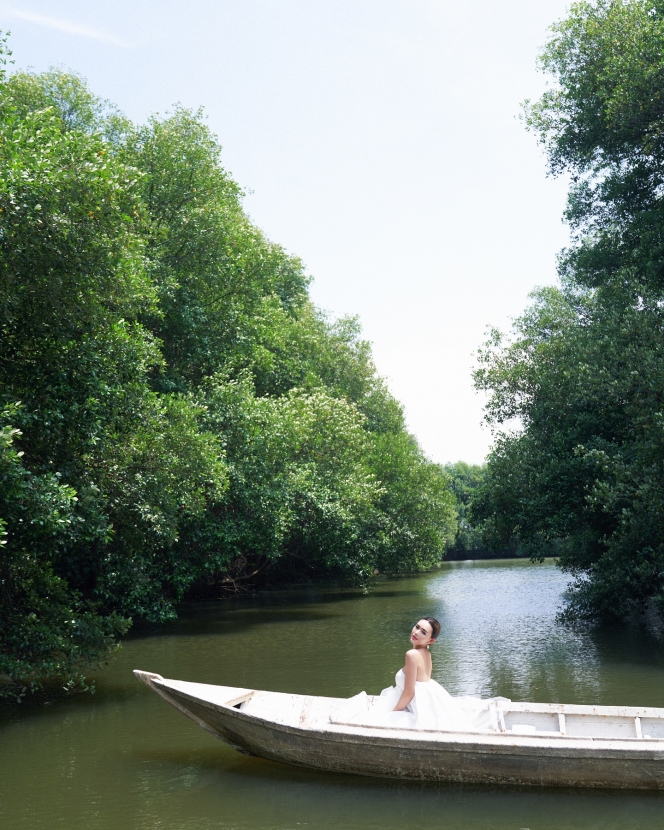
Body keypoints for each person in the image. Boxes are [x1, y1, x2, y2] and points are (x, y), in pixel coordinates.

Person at [365, 617, 504, 731]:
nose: (416, 632)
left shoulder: (412, 654)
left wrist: (393, 713)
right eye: (417, 626)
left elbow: (409, 692)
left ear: (431, 641)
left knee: (378, 721)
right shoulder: (427, 654)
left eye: (423, 632)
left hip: (412, 704)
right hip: (422, 702)